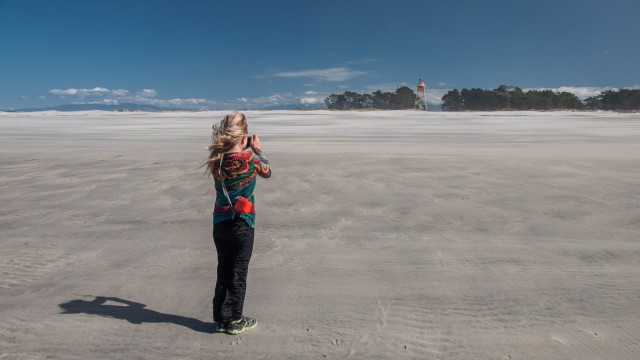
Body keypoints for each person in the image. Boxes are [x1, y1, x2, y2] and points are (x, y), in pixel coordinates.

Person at [204, 113, 271, 335]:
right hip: (241, 222)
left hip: (220, 222)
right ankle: (234, 319)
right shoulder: (249, 159)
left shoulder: (217, 160)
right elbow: (267, 172)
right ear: (244, 138)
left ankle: (221, 319)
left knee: (224, 269)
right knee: (238, 271)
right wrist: (258, 149)